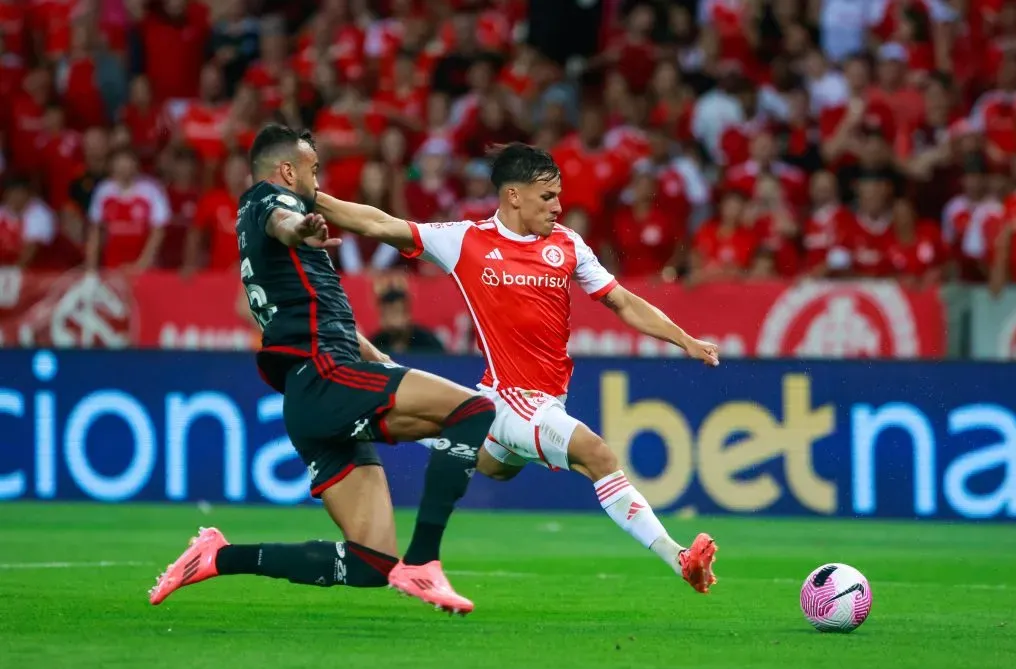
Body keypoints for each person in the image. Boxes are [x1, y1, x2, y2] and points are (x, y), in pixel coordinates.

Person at [315, 143, 719, 594]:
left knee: (496, 467)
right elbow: (379, 223)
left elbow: (622, 301)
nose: (558, 207)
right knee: (597, 455)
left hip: (530, 401)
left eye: (558, 196)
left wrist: (684, 339)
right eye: (547, 197)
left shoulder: (567, 244)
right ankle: (679, 558)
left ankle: (390, 404)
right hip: (513, 397)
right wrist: (311, 197)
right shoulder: (465, 240)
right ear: (513, 195)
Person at [148, 124, 498, 615]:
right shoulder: (270, 201)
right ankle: (423, 562)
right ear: (287, 171)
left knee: (370, 563)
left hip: (311, 394)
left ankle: (218, 556)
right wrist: (301, 228)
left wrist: (383, 363)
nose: (318, 178)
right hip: (328, 375)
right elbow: (283, 220)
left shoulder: (264, 232)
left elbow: (328, 317)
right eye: (313, 168)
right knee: (474, 410)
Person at [370, 288, 446, 355]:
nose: (389, 319)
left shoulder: (426, 341)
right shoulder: (376, 343)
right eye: (384, 314)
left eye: (395, 313)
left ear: (407, 315)